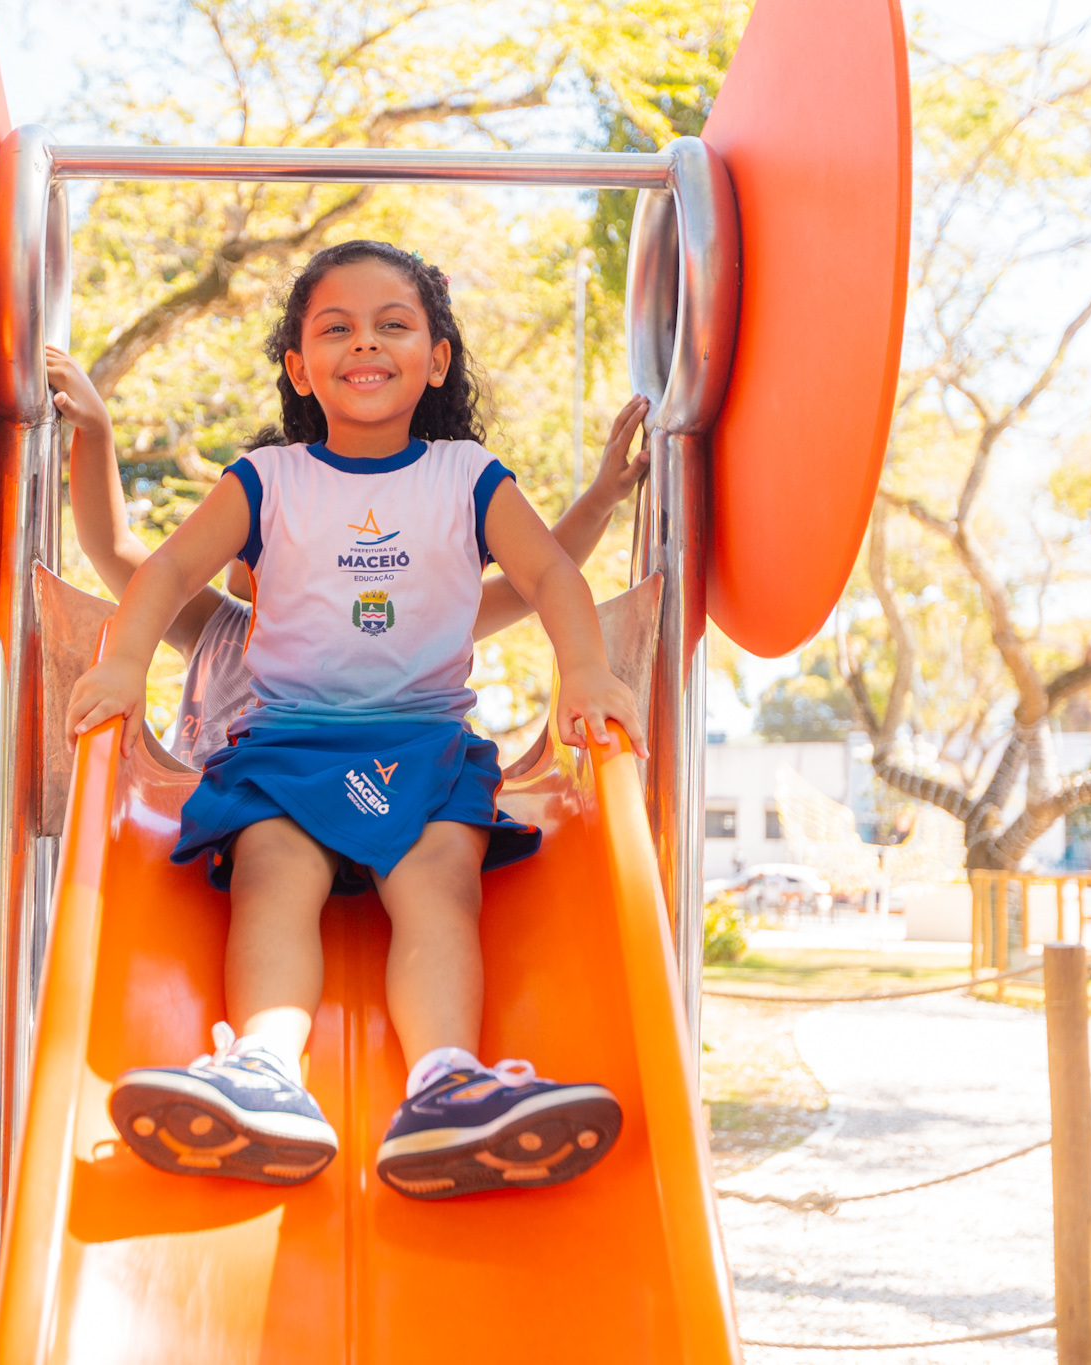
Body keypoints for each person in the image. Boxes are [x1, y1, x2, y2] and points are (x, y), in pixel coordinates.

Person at [63, 239, 643, 1201]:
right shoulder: (268, 482)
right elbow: (155, 567)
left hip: (422, 745)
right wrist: (123, 664)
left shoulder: (465, 476)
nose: (363, 343)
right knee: (272, 872)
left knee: (441, 881)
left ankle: (445, 1081)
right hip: (286, 744)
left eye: (392, 325)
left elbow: (541, 576)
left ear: (436, 357)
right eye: (334, 327)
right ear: (298, 365)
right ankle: (263, 1067)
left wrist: (584, 664)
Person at [48, 353, 650, 771]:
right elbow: (116, 548)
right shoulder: (210, 624)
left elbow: (535, 579)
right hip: (240, 815)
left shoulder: (406, 625)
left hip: (388, 794)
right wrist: (98, 432)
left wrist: (599, 501)